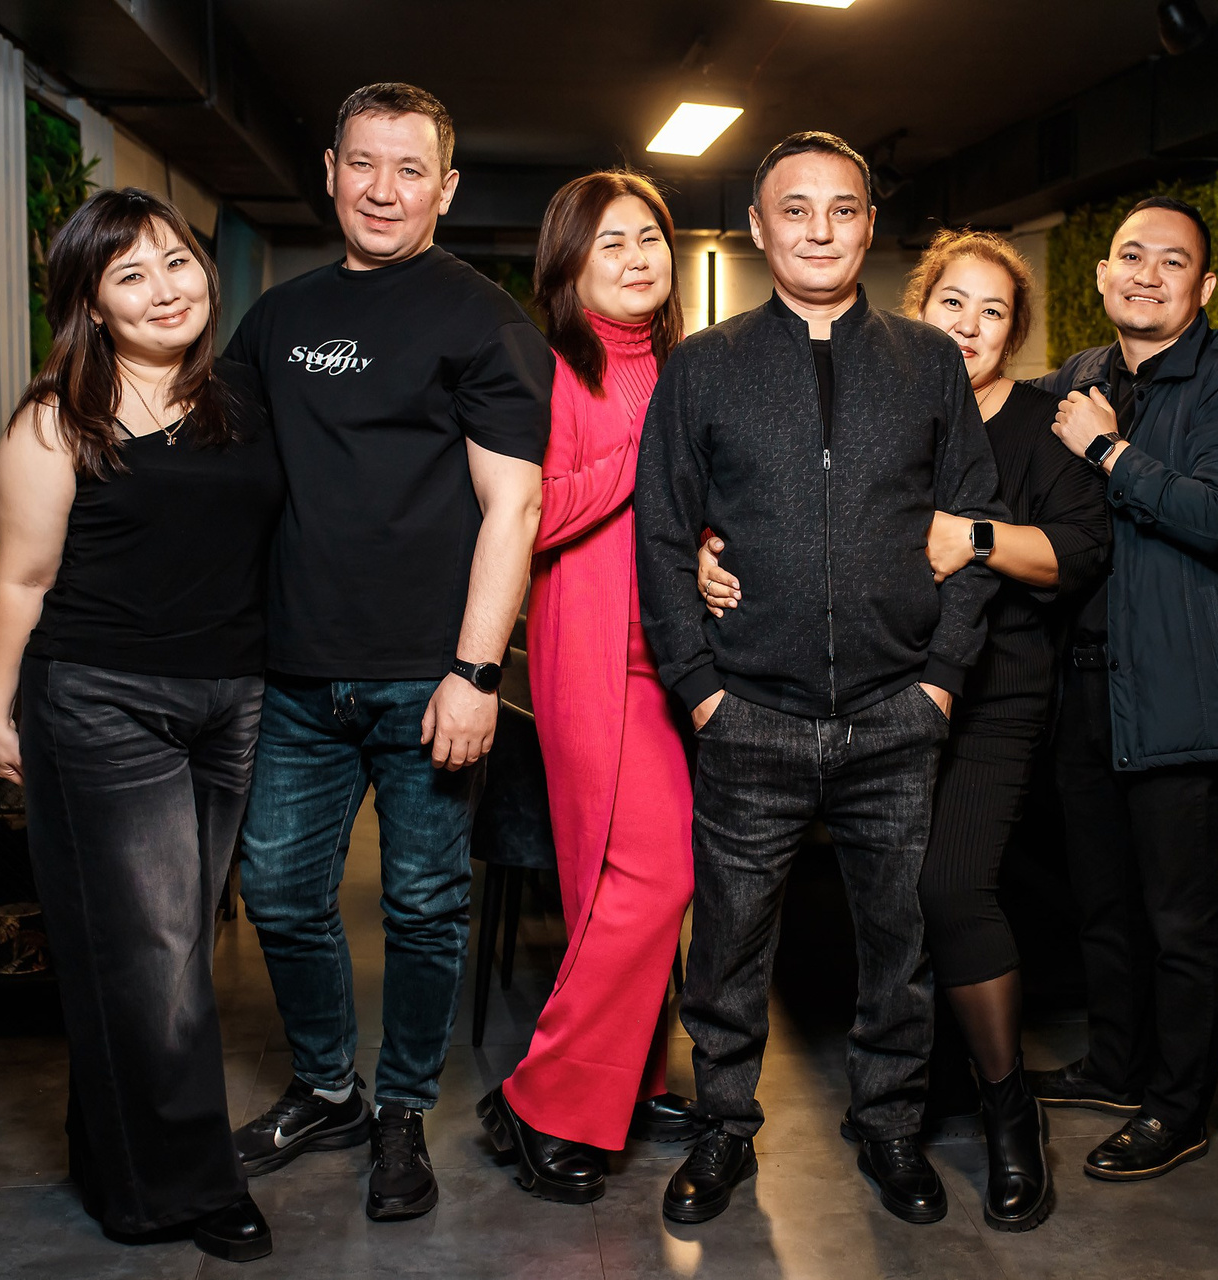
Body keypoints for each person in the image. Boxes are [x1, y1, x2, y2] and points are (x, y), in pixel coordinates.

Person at [696, 229, 1109, 1231]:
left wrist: (972, 541)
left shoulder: (1043, 422)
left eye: (994, 311)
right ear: (919, 310)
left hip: (990, 688)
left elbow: (1079, 553)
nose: (971, 326)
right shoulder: (884, 396)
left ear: (1017, 330)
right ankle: (907, 1096)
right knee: (880, 909)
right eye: (953, 304)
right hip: (885, 681)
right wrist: (717, 546)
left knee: (945, 888)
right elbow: (785, 502)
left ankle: (1008, 1108)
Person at [636, 131, 1008, 1227]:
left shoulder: (927, 360)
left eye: (842, 209)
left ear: (869, 225)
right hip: (748, 710)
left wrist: (942, 679)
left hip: (896, 710)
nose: (819, 230)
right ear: (759, 227)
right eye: (794, 210)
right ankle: (722, 1125)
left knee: (898, 942)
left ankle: (889, 1122)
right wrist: (700, 685)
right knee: (729, 941)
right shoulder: (703, 365)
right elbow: (662, 535)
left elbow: (973, 524)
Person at [223, 82, 553, 1223]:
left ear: (445, 188)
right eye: (362, 163)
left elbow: (514, 508)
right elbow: (222, 471)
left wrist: (475, 673)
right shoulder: (276, 319)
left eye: (410, 169)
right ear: (329, 172)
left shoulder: (483, 320)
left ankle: (402, 1108)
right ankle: (327, 1088)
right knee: (278, 889)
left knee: (421, 905)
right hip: (294, 674)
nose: (382, 189)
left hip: (427, 677)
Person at [0, 188, 283, 1263]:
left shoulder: (243, 398)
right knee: (156, 954)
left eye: (177, 262)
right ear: (92, 304)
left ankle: (113, 1158)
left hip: (230, 698)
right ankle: (188, 1188)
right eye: (131, 275)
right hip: (104, 698)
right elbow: (23, 576)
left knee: (162, 945)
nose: (165, 290)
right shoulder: (55, 419)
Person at [1024, 196, 1218, 1180]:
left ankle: (1177, 1106)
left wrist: (1108, 451)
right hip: (1084, 682)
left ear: (1203, 285)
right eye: (1129, 255)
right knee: (1102, 900)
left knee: (1181, 915)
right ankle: (1115, 1061)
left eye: (1171, 261)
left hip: (1179, 689)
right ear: (1101, 274)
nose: (1146, 273)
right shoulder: (1080, 376)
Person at [474, 170, 701, 1203]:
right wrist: (641, 461)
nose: (637, 257)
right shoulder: (548, 369)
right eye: (610, 241)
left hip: (691, 654)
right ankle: (545, 1099)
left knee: (628, 890)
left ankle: (623, 1082)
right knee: (645, 879)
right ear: (567, 262)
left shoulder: (691, 369)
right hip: (597, 651)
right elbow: (529, 515)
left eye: (649, 236)